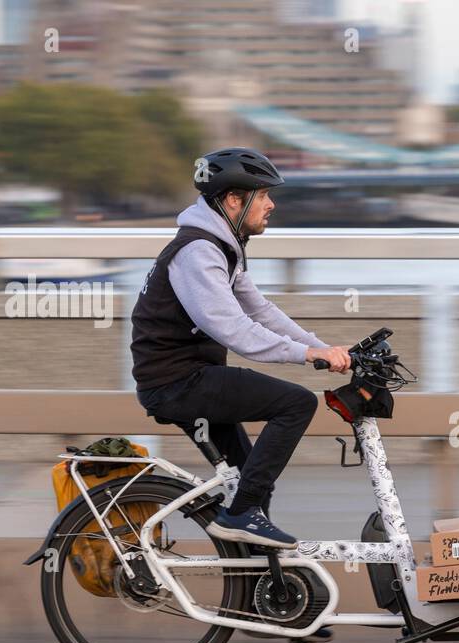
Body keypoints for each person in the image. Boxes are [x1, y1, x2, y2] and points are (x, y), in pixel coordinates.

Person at [130, 146, 352, 549]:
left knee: (254, 482)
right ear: (234, 199)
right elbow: (234, 329)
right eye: (263, 194)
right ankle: (241, 516)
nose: (272, 204)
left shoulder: (221, 245)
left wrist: (324, 348)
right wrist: (306, 355)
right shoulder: (198, 251)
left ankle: (251, 593)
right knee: (296, 404)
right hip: (177, 383)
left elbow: (261, 311)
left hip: (191, 378)